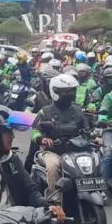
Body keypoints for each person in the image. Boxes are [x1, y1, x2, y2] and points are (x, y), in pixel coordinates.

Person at [34, 73, 89, 204]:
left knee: (94, 159)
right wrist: (41, 139)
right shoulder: (45, 111)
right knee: (53, 166)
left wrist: (95, 137)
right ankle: (54, 201)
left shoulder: (77, 110)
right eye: (67, 91)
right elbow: (34, 130)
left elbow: (87, 129)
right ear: (56, 92)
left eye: (72, 91)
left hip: (76, 149)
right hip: (53, 151)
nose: (70, 94)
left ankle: (97, 190)